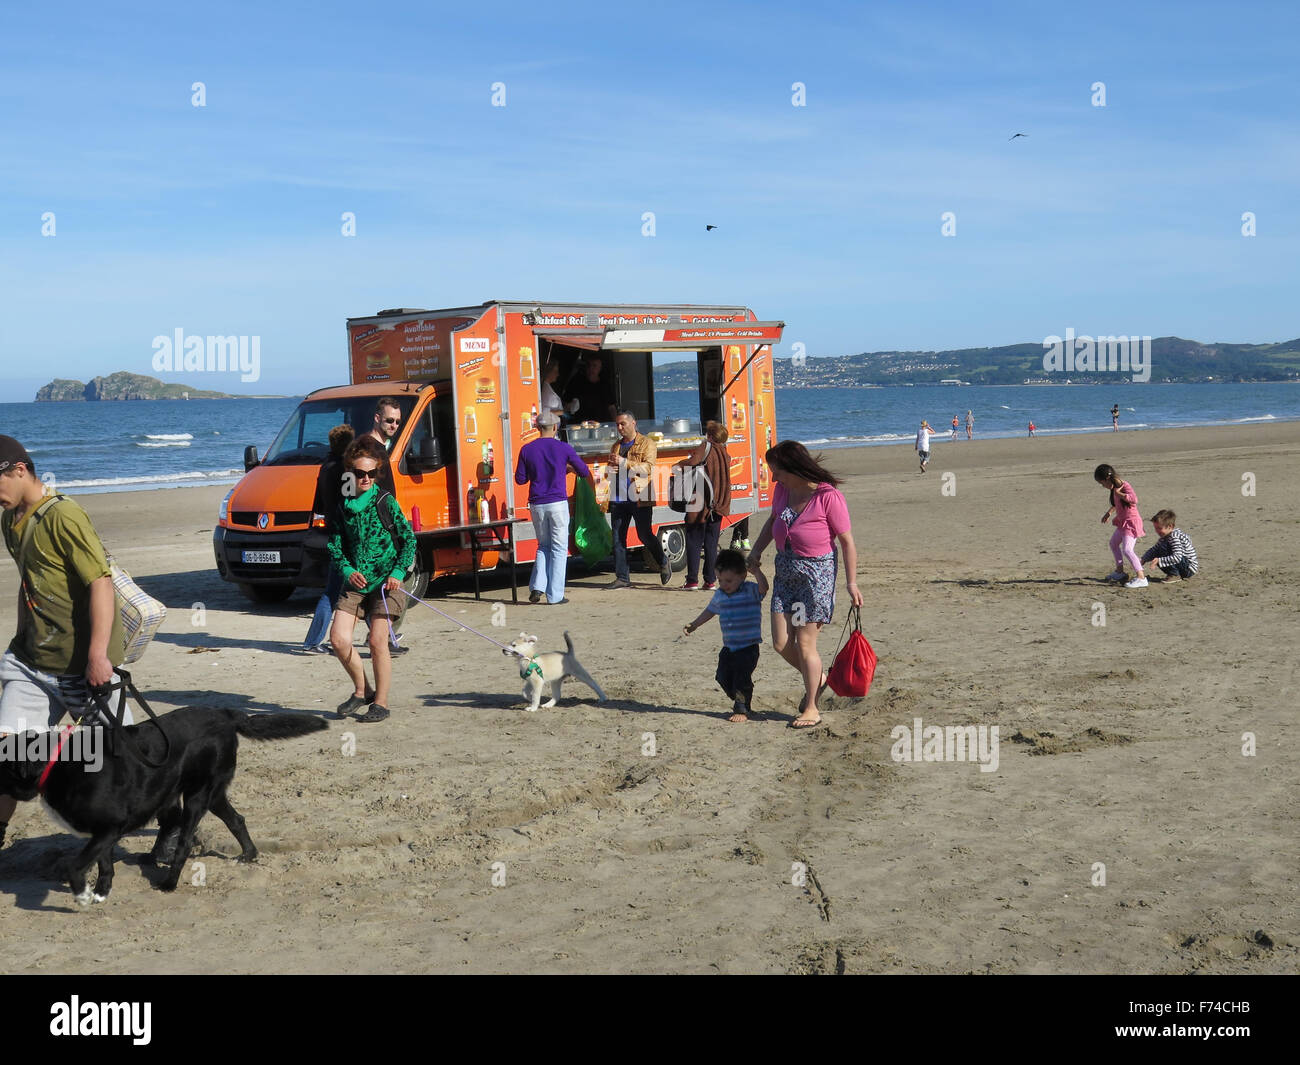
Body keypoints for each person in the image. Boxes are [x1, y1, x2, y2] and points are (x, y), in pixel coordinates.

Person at [0, 435, 128, 850]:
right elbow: (29, 582)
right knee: (10, 753)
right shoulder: (9, 519)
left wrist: (96, 657)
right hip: (30, 665)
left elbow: (101, 583)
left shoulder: (64, 516)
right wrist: (20, 640)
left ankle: (173, 822)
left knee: (124, 758)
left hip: (82, 666)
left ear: (19, 470)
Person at [746, 441, 862, 729]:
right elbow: (772, 521)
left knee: (806, 643)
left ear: (794, 468)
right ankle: (820, 678)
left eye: (778, 472)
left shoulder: (827, 496)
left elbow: (847, 542)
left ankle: (811, 707)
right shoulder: (783, 491)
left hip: (815, 578)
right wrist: (757, 550)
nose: (774, 479)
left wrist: (851, 583)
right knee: (782, 642)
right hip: (785, 574)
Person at [328, 437, 416, 722]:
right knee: (338, 640)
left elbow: (409, 541)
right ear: (350, 473)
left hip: (386, 583)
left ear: (377, 472)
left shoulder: (385, 502)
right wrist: (345, 570)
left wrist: (398, 573)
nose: (365, 478)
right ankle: (362, 690)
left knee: (377, 641)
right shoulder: (344, 506)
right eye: (358, 473)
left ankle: (381, 703)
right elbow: (335, 545)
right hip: (354, 583)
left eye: (370, 473)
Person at [515, 412, 594, 604]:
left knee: (543, 546)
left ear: (537, 427)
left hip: (536, 503)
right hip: (557, 502)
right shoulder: (563, 448)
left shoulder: (526, 449)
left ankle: (537, 587)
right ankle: (555, 595)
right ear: (556, 428)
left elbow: (520, 479)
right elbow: (583, 471)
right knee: (559, 548)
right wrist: (565, 467)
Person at [683, 549, 768, 723]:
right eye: (720, 580)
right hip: (729, 646)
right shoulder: (720, 595)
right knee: (722, 676)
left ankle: (742, 708)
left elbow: (764, 588)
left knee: (741, 677)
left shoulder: (750, 590)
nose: (724, 584)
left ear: (743, 576)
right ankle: (742, 693)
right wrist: (694, 625)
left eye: (729, 581)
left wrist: (757, 572)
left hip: (748, 647)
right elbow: (710, 611)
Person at [302, 424, 354, 653]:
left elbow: (319, 505)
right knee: (339, 589)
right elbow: (353, 502)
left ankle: (382, 634)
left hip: (332, 531)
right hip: (346, 534)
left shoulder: (325, 467)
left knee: (342, 588)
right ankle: (313, 641)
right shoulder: (346, 469)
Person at [607, 410, 670, 588]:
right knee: (618, 538)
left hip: (640, 495)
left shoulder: (647, 443)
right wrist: (610, 470)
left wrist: (623, 463)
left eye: (623, 424)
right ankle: (622, 578)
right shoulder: (616, 446)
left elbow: (648, 468)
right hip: (619, 497)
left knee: (644, 535)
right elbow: (611, 467)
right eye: (617, 425)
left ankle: (663, 561)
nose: (619, 428)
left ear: (633, 423)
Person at [676, 420, 731, 590]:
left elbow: (693, 462)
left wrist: (680, 464)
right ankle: (710, 580)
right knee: (711, 544)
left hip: (699, 504)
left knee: (693, 541)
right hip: (719, 503)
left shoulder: (706, 447)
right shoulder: (725, 452)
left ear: (710, 435)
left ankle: (692, 580)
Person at [1095, 463, 1147, 588]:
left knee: (1127, 550)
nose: (1103, 486)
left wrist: (1120, 493)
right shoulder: (1115, 488)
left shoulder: (1124, 485)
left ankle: (1141, 577)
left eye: (1102, 483)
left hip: (1131, 523)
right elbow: (1117, 504)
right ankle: (1119, 571)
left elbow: (1134, 499)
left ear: (1107, 479)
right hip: (1122, 522)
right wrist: (1109, 513)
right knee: (1113, 543)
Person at [1141, 509, 1199, 580]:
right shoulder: (1164, 537)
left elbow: (1178, 557)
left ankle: (1174, 574)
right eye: (1155, 528)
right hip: (1183, 565)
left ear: (1170, 526)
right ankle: (1174, 573)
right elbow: (1154, 549)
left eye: (1159, 528)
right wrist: (1143, 559)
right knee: (1158, 550)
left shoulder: (1174, 537)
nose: (1157, 531)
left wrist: (1159, 560)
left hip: (1188, 568)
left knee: (1162, 549)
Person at [565, 355, 617, 424]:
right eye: (588, 365)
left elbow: (611, 407)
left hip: (601, 424)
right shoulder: (576, 382)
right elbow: (565, 403)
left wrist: (616, 424)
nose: (591, 368)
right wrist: (571, 406)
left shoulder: (605, 384)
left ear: (600, 368)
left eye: (594, 366)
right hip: (580, 425)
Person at [365, 396, 400, 495]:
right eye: (389, 420)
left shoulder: (382, 447)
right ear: (377, 418)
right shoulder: (368, 448)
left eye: (398, 422)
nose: (394, 426)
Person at [540, 360, 576, 424]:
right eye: (555, 371)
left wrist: (566, 408)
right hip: (549, 426)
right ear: (548, 372)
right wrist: (563, 411)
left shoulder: (547, 388)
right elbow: (545, 412)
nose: (558, 374)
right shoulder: (546, 391)